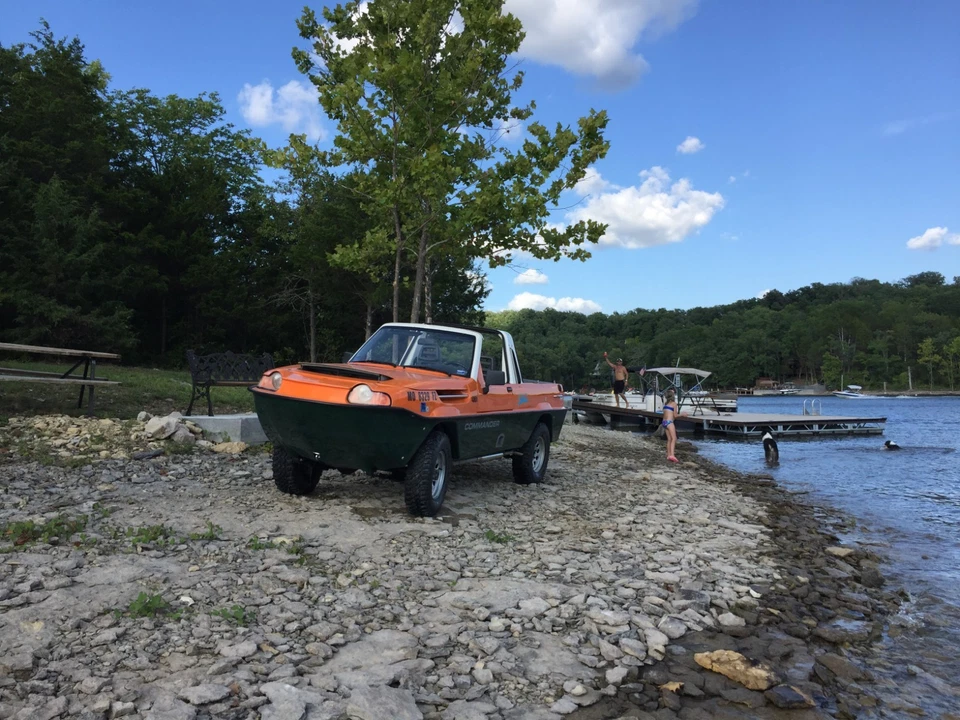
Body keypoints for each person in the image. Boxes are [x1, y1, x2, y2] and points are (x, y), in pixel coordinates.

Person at [662, 388, 683, 463]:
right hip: (670, 422)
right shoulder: (674, 404)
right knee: (674, 438)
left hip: (664, 422)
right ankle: (672, 455)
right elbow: (675, 415)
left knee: (669, 439)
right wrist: (683, 414)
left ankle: (668, 455)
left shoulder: (665, 404)